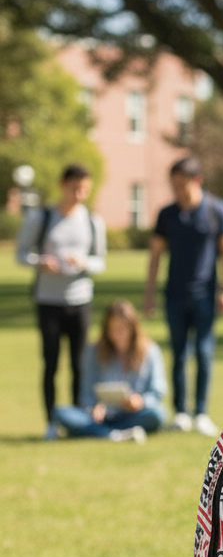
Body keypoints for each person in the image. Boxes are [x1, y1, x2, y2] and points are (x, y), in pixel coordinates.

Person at [144, 156, 223, 437]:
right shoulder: (167, 214)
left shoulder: (217, 210)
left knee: (204, 353)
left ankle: (201, 412)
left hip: (206, 296)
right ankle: (181, 412)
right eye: (173, 184)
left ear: (198, 181)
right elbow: (156, 256)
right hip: (174, 294)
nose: (177, 189)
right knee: (178, 353)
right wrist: (149, 293)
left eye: (181, 184)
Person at [16, 163, 107, 440]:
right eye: (75, 188)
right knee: (51, 362)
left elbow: (100, 261)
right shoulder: (41, 218)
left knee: (79, 363)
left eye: (85, 189)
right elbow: (21, 254)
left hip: (80, 300)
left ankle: (79, 420)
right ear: (62, 185)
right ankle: (51, 422)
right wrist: (40, 263)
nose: (80, 194)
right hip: (49, 301)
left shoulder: (93, 221)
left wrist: (84, 263)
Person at [52, 299, 167, 443]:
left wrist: (140, 402)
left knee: (157, 414)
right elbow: (86, 392)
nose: (117, 334)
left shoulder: (150, 351)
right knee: (60, 413)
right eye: (112, 329)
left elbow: (158, 391)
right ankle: (114, 434)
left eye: (122, 328)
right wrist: (94, 408)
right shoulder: (94, 352)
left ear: (133, 328)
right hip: (102, 416)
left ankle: (101, 433)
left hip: (134, 414)